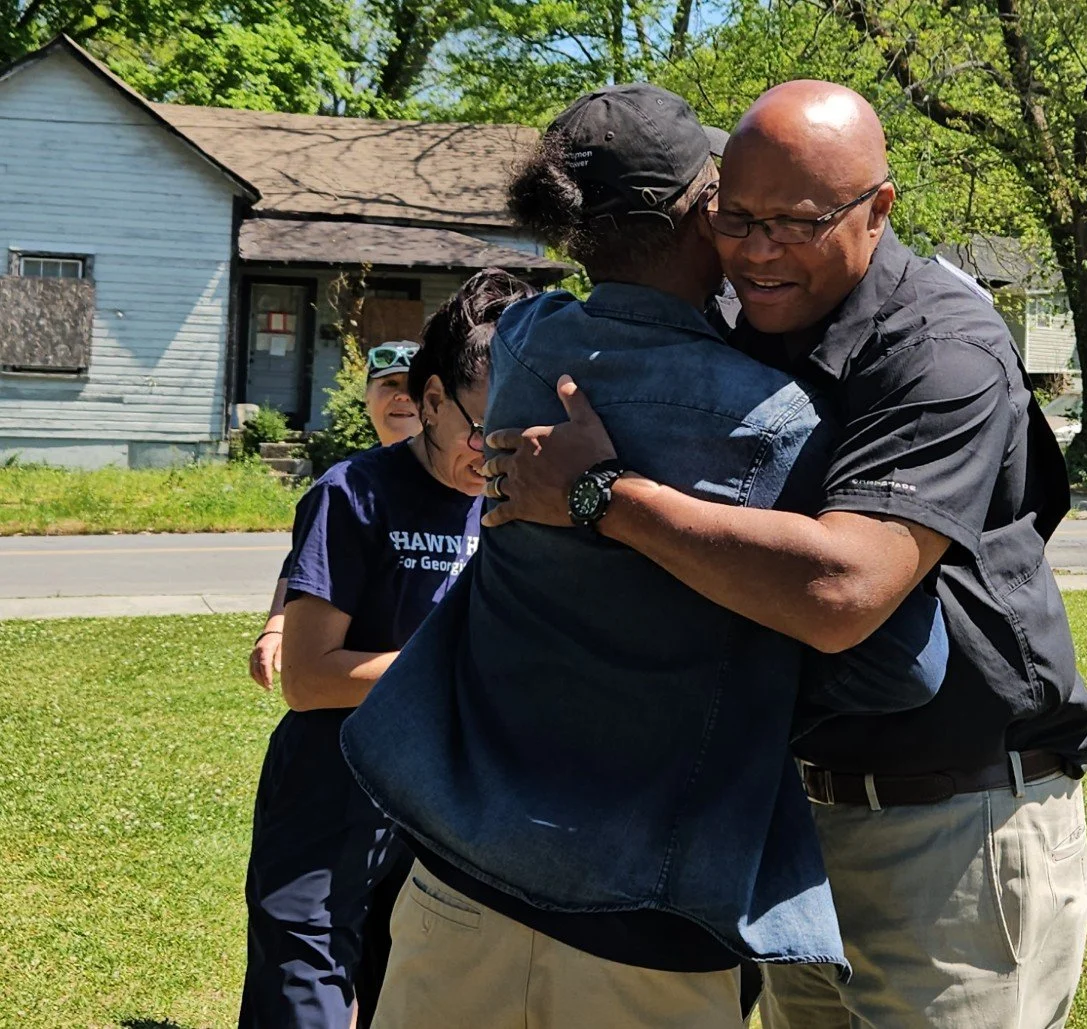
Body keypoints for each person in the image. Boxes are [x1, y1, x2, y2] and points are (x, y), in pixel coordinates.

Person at [481, 79, 1087, 1029]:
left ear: (878, 208)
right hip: (792, 823)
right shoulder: (745, 328)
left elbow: (842, 587)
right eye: (738, 218)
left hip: (952, 827)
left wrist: (605, 496)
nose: (757, 252)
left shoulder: (944, 347)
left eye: (796, 223)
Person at [340, 83, 949, 1029]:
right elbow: (907, 666)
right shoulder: (781, 422)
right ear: (703, 212)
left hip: (463, 874)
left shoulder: (526, 348)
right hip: (651, 911)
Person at [239, 274, 530, 1028]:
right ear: (430, 400)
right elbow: (305, 678)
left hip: (435, 803)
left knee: (404, 994)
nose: (493, 450)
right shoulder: (353, 493)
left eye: (516, 431)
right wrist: (454, 671)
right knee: (305, 996)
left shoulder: (510, 504)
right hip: (328, 795)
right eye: (480, 426)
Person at [247, 342, 422, 690]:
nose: (402, 396)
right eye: (389, 385)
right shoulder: (346, 483)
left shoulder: (467, 482)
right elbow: (306, 562)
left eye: (412, 386)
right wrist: (276, 626)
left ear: (434, 400)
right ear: (367, 398)